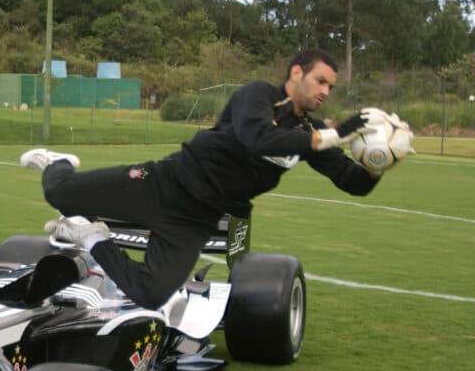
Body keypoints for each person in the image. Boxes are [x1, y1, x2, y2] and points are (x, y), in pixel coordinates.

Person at [20, 49, 387, 310]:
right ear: (296, 74)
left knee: (150, 294)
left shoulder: (313, 133)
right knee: (58, 192)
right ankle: (59, 160)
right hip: (163, 183)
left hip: (195, 219)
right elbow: (256, 137)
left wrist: (380, 161)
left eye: (331, 87)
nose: (325, 91)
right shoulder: (257, 95)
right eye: (320, 81)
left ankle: (91, 236)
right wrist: (333, 135)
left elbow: (354, 183)